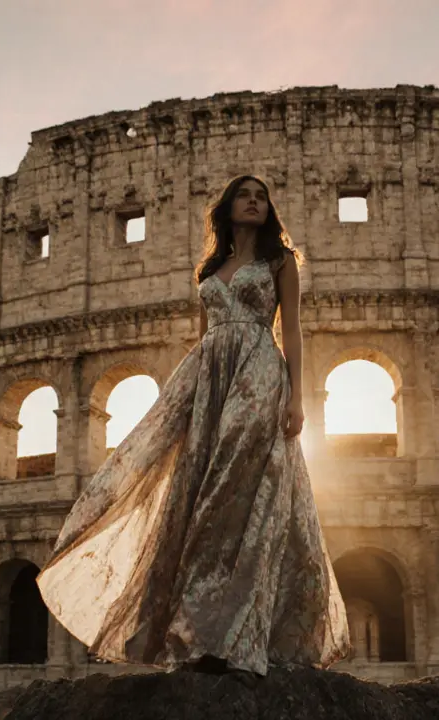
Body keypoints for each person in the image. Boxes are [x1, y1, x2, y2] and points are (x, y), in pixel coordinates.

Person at [36, 174, 351, 678]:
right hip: (209, 377)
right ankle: (198, 636)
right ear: (227, 207)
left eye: (262, 197)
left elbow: (290, 330)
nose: (254, 202)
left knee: (234, 496)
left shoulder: (280, 261)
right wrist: (187, 402)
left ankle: (239, 637)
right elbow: (205, 337)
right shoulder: (210, 268)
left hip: (257, 371)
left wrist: (296, 398)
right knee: (193, 496)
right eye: (245, 195)